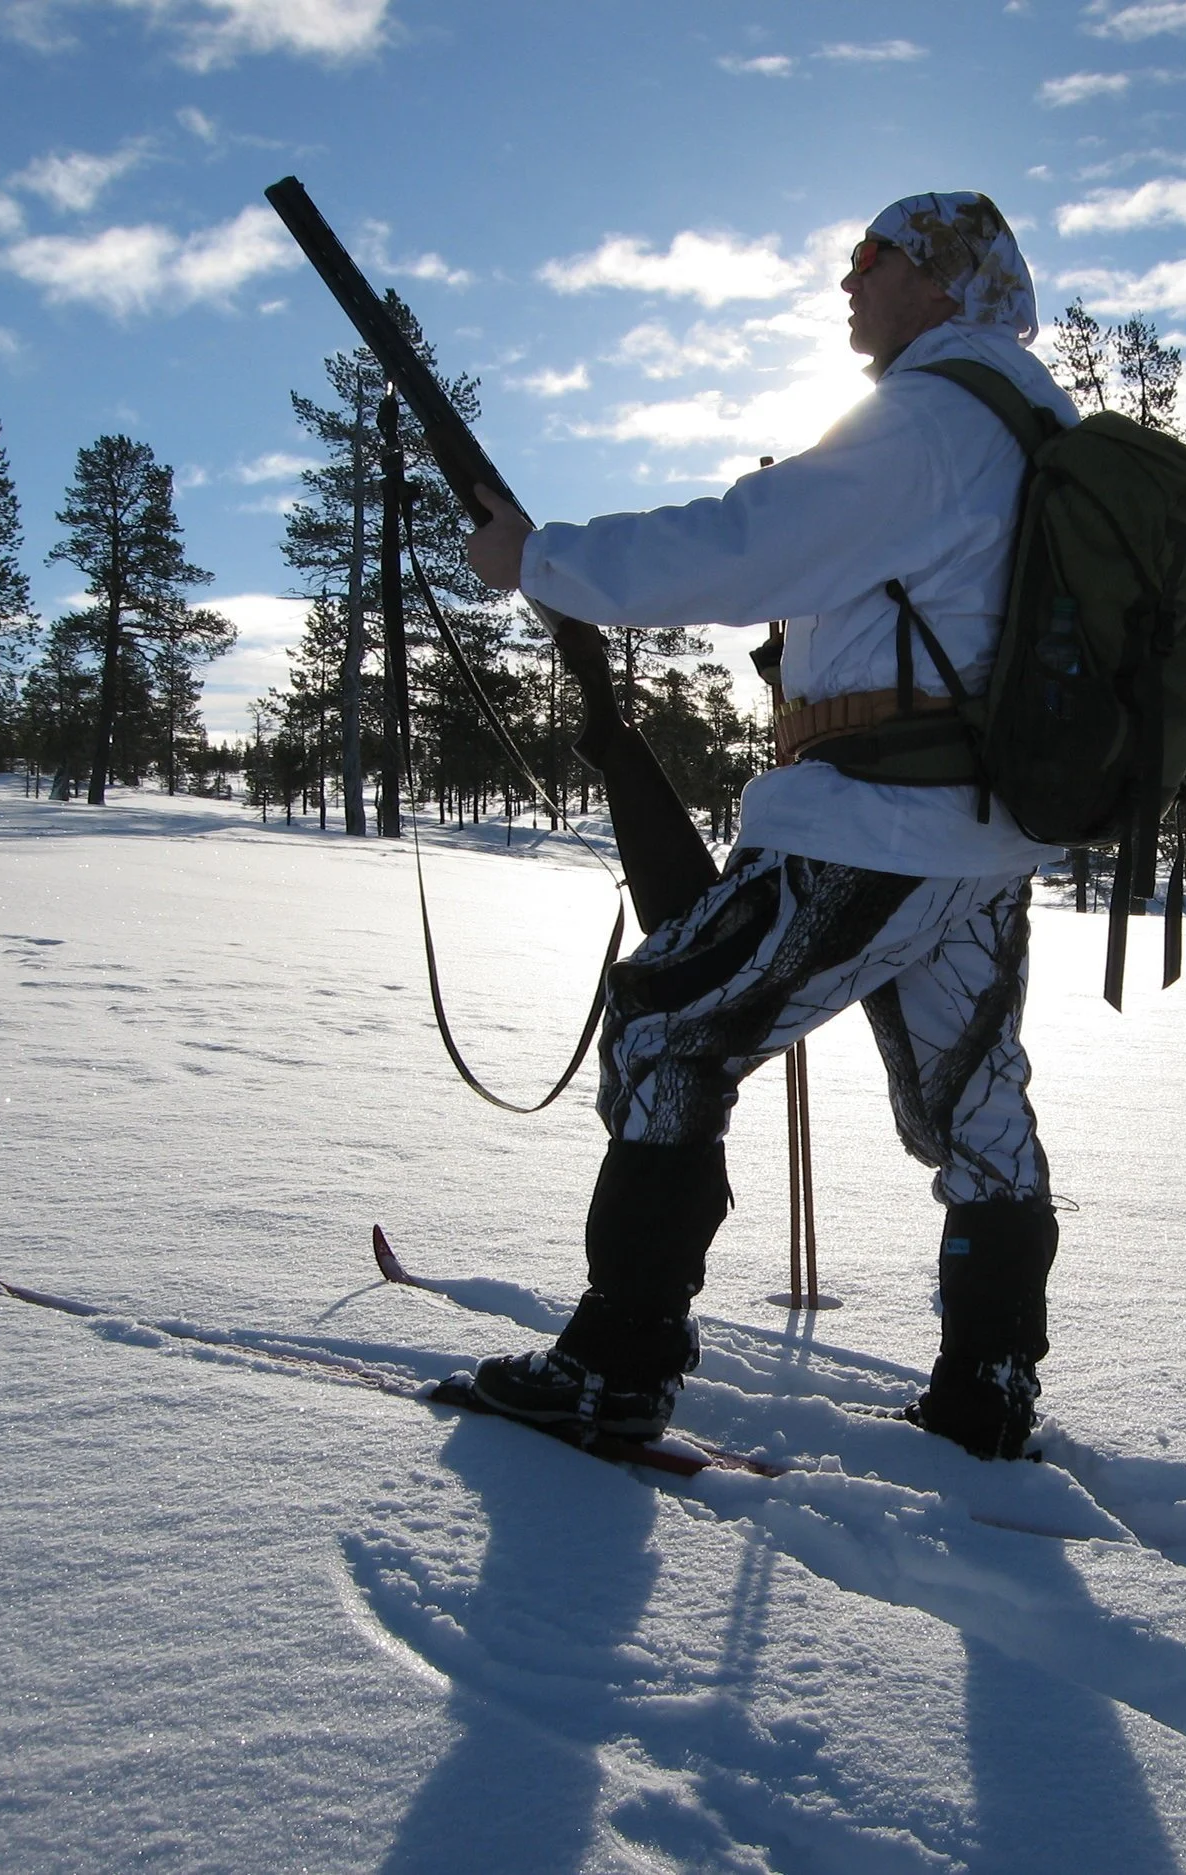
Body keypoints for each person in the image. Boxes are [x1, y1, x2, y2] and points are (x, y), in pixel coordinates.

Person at [462, 192, 1076, 1461]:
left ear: (949, 281)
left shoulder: (928, 418)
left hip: (875, 822)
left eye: (875, 257)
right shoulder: (1030, 427)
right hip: (978, 837)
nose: (848, 280)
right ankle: (989, 1388)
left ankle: (615, 1366)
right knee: (975, 1106)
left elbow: (741, 545)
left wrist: (542, 560)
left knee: (666, 1026)